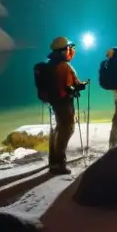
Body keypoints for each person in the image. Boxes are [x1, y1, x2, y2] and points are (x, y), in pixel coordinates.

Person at [41, 37, 88, 175]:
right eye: (68, 49)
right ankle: (59, 164)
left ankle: (53, 161)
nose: (70, 51)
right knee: (67, 129)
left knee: (59, 128)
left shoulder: (50, 64)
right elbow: (68, 87)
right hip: (64, 102)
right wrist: (79, 87)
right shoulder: (63, 66)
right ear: (62, 50)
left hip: (55, 102)